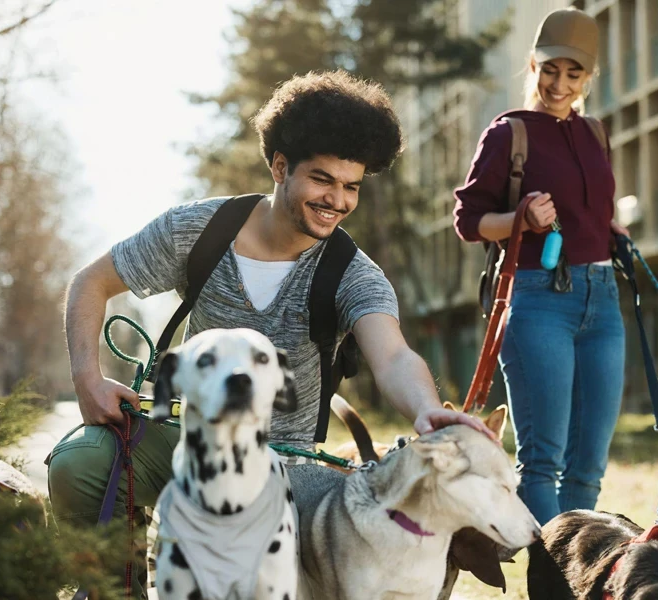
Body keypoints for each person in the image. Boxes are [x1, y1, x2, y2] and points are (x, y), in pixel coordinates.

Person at [47, 70, 491, 596]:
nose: (338, 200)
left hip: (286, 467)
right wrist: (87, 377)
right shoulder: (199, 230)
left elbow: (392, 354)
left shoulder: (353, 274)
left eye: (352, 186)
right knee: (80, 462)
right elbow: (91, 282)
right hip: (192, 440)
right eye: (323, 180)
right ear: (280, 166)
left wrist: (425, 408)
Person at [453, 8, 628, 525]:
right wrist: (521, 217)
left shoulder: (596, 133)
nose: (560, 83)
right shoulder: (510, 133)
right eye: (551, 69)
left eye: (574, 74)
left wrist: (610, 232)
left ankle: (575, 572)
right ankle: (552, 580)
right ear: (533, 65)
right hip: (537, 303)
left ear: (588, 77)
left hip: (603, 301)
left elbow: (592, 211)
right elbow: (468, 221)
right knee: (543, 461)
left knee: (589, 466)